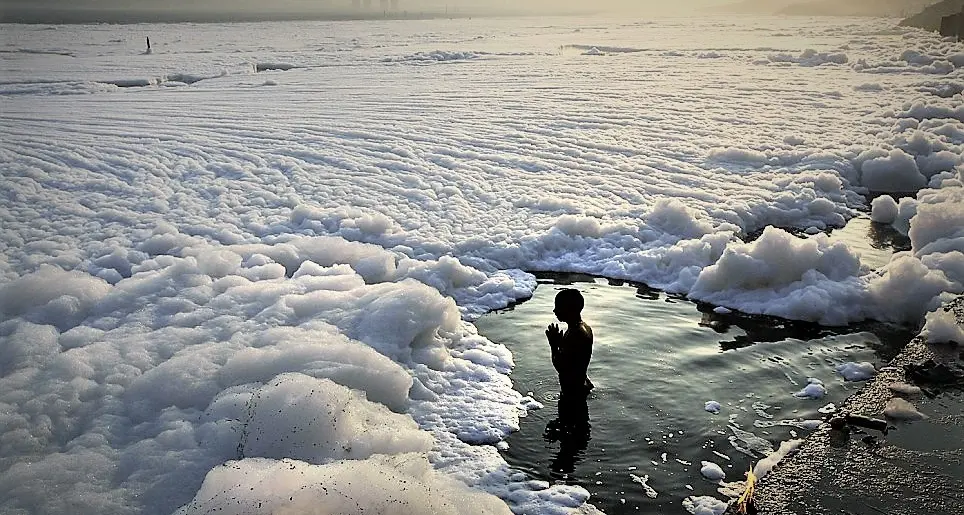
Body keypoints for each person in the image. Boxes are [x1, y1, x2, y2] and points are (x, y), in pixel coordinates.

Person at [545, 288, 594, 396]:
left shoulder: (575, 334)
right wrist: (561, 344)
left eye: (558, 307)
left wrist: (553, 345)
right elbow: (575, 360)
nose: (554, 310)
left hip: (574, 393)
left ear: (568, 309)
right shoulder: (584, 327)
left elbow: (562, 368)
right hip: (581, 384)